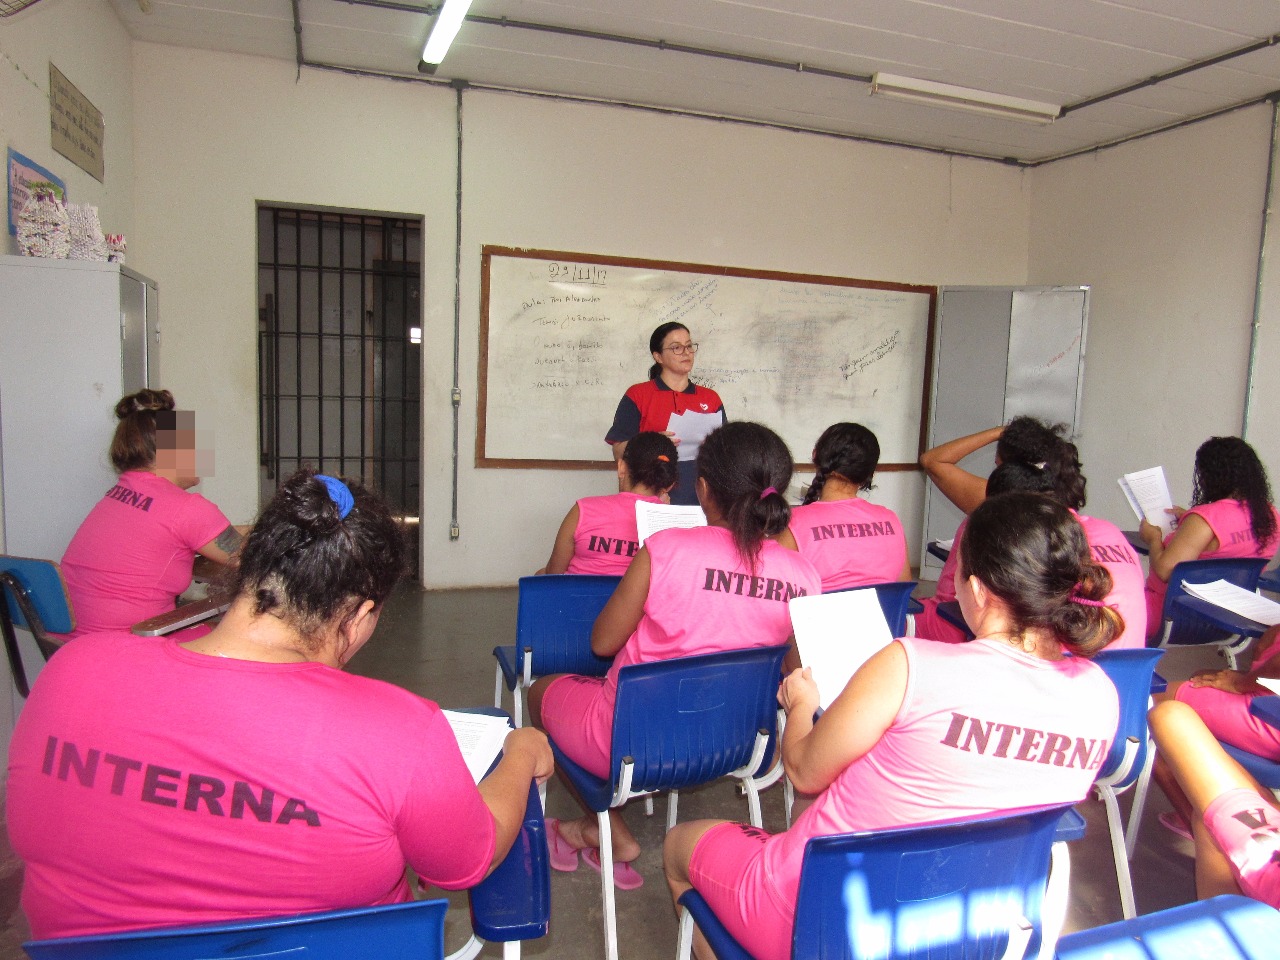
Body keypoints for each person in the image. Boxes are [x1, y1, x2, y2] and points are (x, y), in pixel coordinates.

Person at [6, 470, 553, 939]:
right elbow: (466, 862)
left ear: (246, 570)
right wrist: (523, 750)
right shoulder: (400, 731)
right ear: (359, 615)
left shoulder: (75, 671)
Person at [663, 492, 1121, 960]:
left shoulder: (911, 665)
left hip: (827, 924)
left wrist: (801, 703)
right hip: (964, 931)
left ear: (980, 590)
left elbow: (802, 771)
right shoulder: (1101, 694)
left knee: (679, 846)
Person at [530, 422, 820, 890]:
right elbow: (795, 669)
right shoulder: (804, 574)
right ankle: (595, 828)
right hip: (740, 745)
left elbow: (602, 643)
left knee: (540, 690)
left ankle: (602, 830)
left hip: (633, 742)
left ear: (703, 489)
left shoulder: (665, 549)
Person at [57, 389, 245, 640]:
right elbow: (250, 558)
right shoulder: (187, 509)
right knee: (242, 635)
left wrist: (268, 527)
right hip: (129, 647)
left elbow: (216, 535)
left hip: (73, 646)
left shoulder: (121, 492)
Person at [1140, 436, 1280, 638]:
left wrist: (1153, 539)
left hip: (1173, 614)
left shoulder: (1204, 520)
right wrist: (1189, 523)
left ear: (1211, 476)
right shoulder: (1269, 515)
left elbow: (1164, 570)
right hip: (1230, 617)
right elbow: (1229, 542)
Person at [1151, 624, 1280, 839]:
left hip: (1271, 715)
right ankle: (1204, 814)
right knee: (1201, 677)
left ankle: (1211, 835)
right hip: (1269, 693)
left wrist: (1242, 682)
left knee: (1152, 704)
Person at [1149, 698, 1280, 909]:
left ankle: (1215, 919)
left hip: (1267, 868)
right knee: (1207, 823)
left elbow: (1170, 716)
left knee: (1168, 712)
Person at [605, 322, 726, 506]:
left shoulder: (711, 398)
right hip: (649, 499)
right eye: (676, 347)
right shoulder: (638, 394)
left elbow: (726, 451)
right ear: (658, 356)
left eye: (689, 346)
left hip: (701, 500)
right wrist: (653, 443)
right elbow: (618, 450)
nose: (686, 352)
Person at [787, 423, 909, 591]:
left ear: (815, 455)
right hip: (884, 617)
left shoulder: (793, 523)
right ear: (870, 473)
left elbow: (776, 596)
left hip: (821, 617)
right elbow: (903, 589)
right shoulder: (891, 519)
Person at [542, 432, 679, 575]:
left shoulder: (583, 510)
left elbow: (553, 575)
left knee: (539, 575)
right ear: (670, 484)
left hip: (578, 596)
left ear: (621, 467)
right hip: (639, 597)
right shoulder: (678, 526)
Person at [919, 416, 1070, 516]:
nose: (995, 462)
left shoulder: (995, 498)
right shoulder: (1057, 500)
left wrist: (1000, 432)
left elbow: (932, 460)